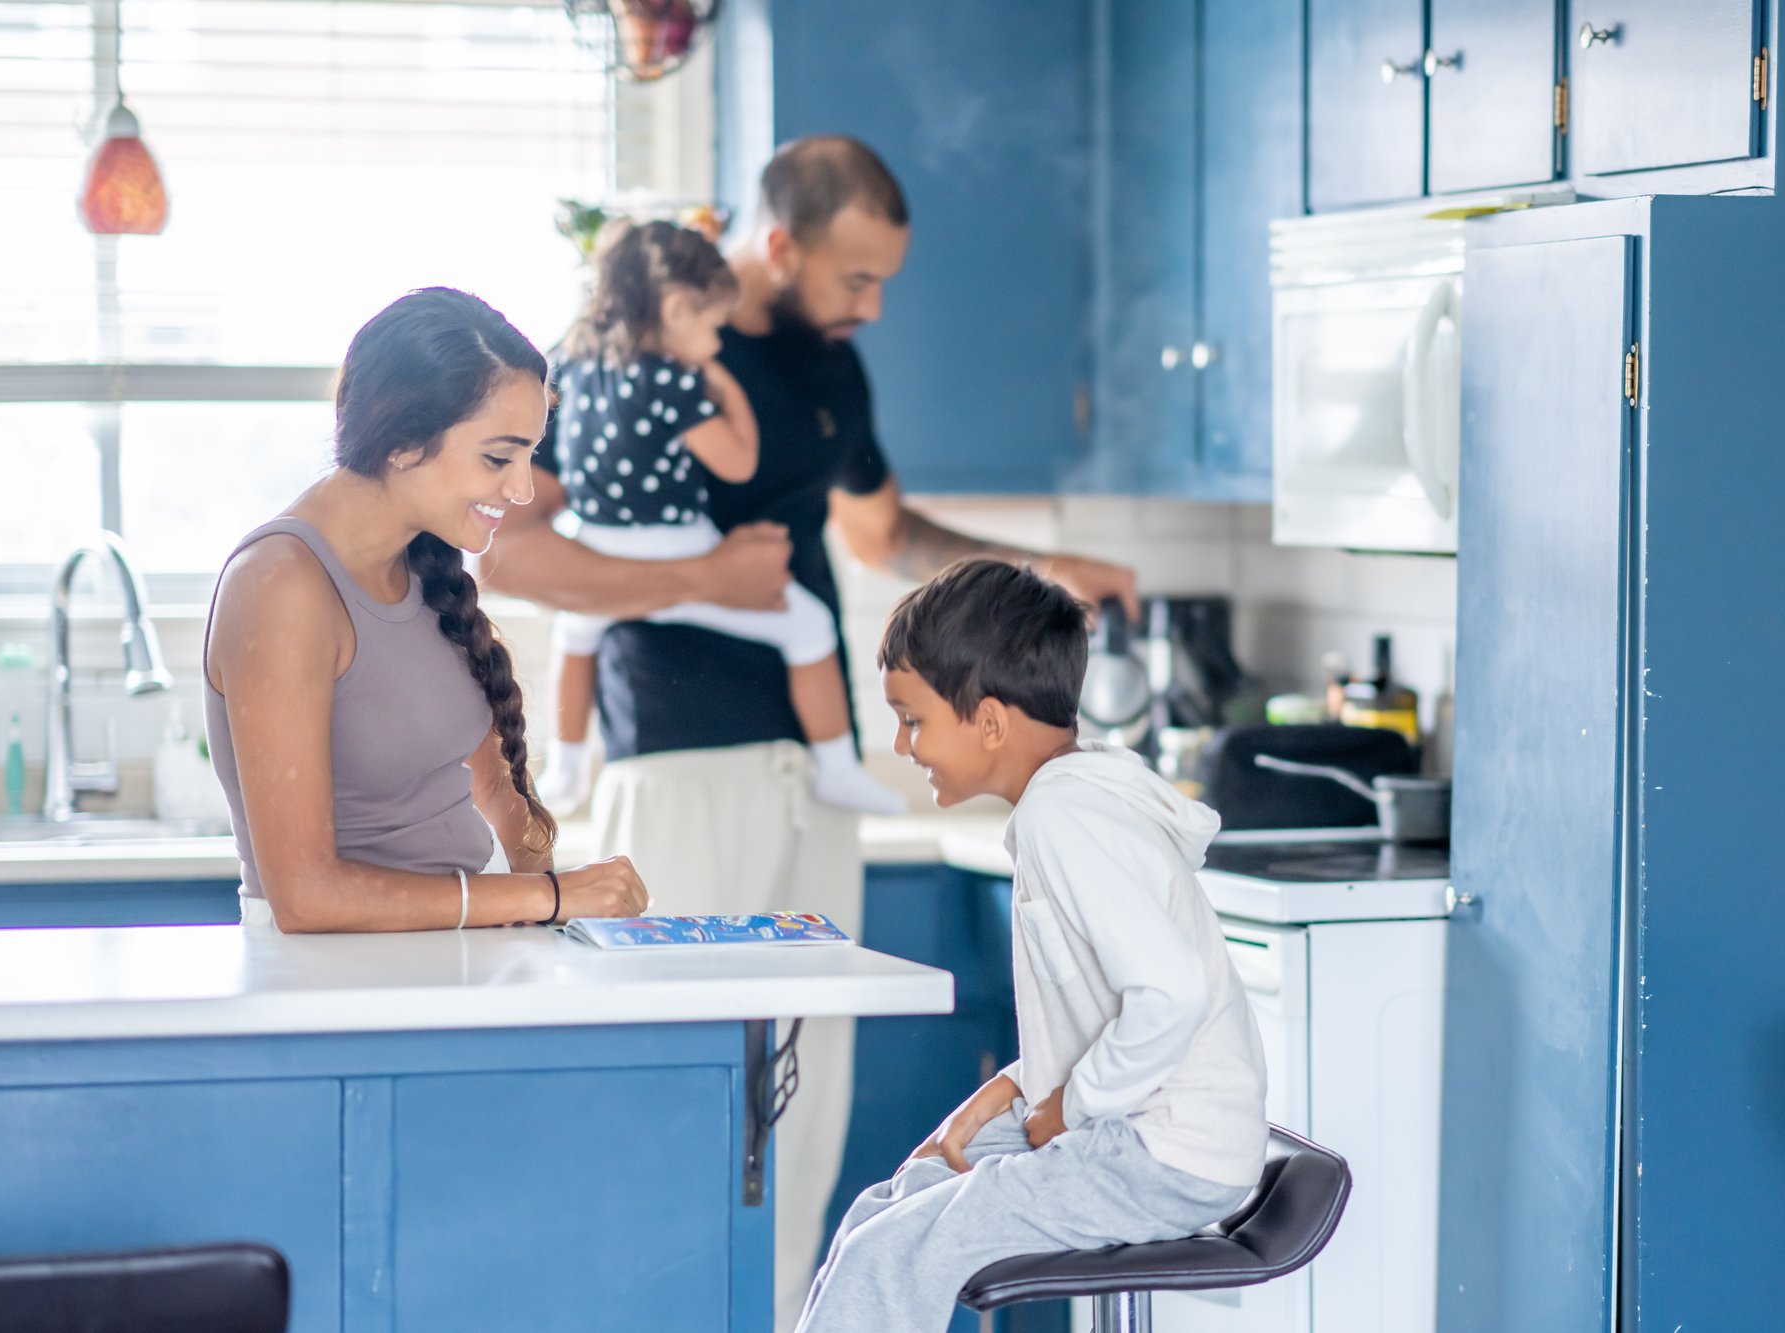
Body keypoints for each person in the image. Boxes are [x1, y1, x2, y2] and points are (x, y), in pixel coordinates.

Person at [486, 136, 1138, 1327]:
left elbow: (885, 536)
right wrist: (702, 584)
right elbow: (513, 546)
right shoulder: (643, 335)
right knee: (680, 1099)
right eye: (852, 280)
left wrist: (1042, 572)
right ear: (776, 246)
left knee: (799, 1104)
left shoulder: (834, 375)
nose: (871, 306)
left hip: (814, 772)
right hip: (675, 764)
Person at [795, 560, 1269, 1332]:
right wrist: (1017, 1089)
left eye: (912, 719)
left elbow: (1170, 995)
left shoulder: (1066, 817)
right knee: (896, 1203)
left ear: (988, 721)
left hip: (1160, 1157)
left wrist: (1068, 1105)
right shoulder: (1072, 798)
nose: (901, 741)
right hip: (1135, 1131)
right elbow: (1105, 1009)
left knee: (899, 1251)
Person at [202, 286, 649, 933]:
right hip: (333, 990)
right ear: (402, 439)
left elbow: (495, 791)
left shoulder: (426, 567)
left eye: (530, 456)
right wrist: (551, 898)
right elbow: (305, 895)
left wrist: (571, 917)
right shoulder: (280, 585)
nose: (521, 488)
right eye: (499, 457)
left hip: (449, 970)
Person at [538, 218, 902, 817]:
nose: (716, 341)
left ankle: (568, 769)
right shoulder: (678, 380)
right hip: (681, 546)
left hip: (601, 549)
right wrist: (721, 385)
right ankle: (838, 766)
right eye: (712, 327)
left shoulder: (575, 363)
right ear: (677, 310)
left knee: (574, 639)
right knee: (808, 630)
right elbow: (737, 462)